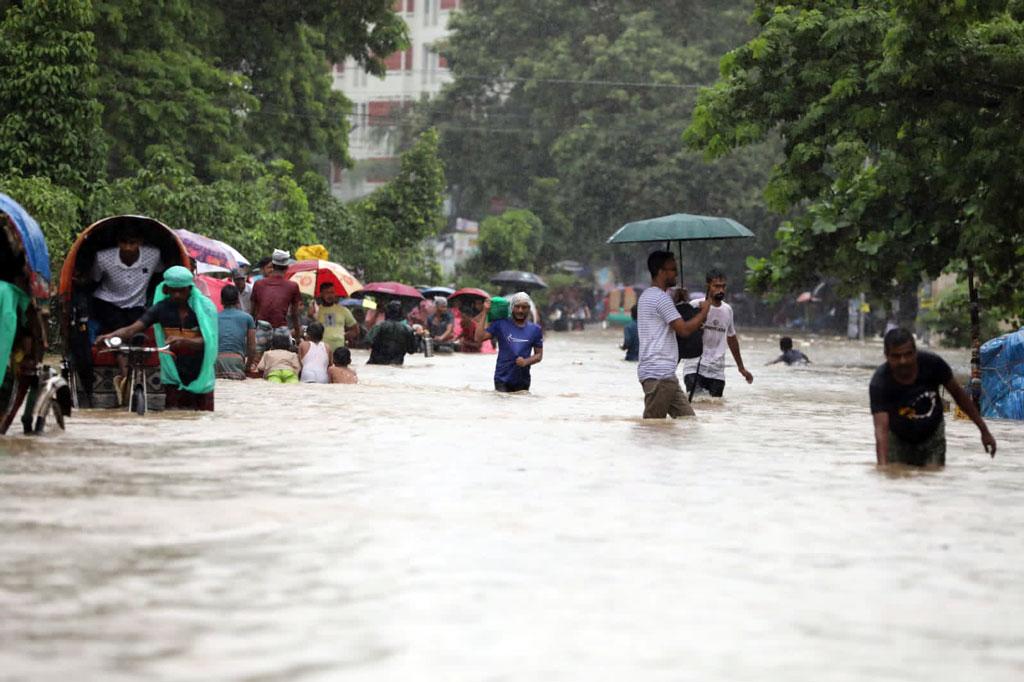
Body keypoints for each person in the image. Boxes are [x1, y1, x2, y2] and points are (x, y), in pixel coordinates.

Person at [95, 266, 217, 411]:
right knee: (172, 414)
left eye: (181, 290)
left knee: (204, 417)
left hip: (201, 371)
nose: (177, 295)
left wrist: (184, 341)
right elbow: (132, 329)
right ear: (166, 289)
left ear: (190, 289)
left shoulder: (205, 308)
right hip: (173, 370)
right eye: (173, 290)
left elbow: (210, 343)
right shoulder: (160, 309)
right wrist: (109, 336)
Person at [870, 327, 996, 467]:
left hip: (932, 436)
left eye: (908, 354)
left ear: (915, 352)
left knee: (933, 480)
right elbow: (881, 428)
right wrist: (882, 467)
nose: (903, 361)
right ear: (886, 356)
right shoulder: (880, 382)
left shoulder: (933, 365)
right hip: (898, 439)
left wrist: (984, 431)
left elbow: (959, 395)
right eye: (896, 356)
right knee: (896, 476)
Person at [90, 225, 163, 393]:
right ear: (118, 243)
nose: (128, 247)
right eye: (124, 242)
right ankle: (125, 378)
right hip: (107, 302)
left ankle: (132, 378)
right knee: (119, 332)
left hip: (137, 305)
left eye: (133, 243)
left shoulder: (153, 255)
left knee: (138, 336)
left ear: (140, 242)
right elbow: (95, 277)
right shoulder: (103, 258)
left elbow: (161, 271)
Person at [637, 251, 711, 418]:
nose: (676, 273)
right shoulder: (661, 299)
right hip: (659, 375)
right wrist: (704, 313)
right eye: (672, 269)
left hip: (663, 374)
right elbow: (683, 330)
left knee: (689, 422)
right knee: (653, 427)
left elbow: (662, 324)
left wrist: (677, 302)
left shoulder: (646, 296)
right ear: (661, 271)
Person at [681, 268, 753, 398]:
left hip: (717, 371)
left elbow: (731, 338)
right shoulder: (695, 305)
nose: (721, 290)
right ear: (708, 286)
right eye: (717, 286)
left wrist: (741, 368)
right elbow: (682, 332)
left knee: (716, 409)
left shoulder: (728, 310)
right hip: (694, 366)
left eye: (723, 286)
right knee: (698, 404)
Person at [474, 291, 544, 392]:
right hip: (502, 379)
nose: (520, 310)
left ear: (529, 309)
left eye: (524, 307)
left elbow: (539, 355)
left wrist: (525, 362)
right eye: (517, 306)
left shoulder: (535, 329)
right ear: (512, 308)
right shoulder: (500, 324)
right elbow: (478, 338)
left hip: (523, 380)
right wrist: (485, 312)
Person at [250, 249, 302, 353]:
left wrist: (251, 333)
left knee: (258, 362)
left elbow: (253, 312)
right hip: (281, 330)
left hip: (262, 328)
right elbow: (294, 314)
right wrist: (297, 336)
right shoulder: (293, 286)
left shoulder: (258, 284)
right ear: (287, 267)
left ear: (272, 265)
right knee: (283, 360)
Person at [215, 284, 256, 380]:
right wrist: (248, 366)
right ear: (238, 300)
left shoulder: (213, 317)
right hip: (237, 360)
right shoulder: (247, 318)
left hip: (216, 360)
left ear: (221, 300)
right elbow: (252, 347)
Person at [367, 300, 417, 365]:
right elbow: (412, 350)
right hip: (397, 365)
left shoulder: (379, 326)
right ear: (401, 314)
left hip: (376, 363)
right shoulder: (408, 330)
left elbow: (367, 341)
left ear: (387, 312)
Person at [313, 282, 358, 352]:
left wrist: (342, 337)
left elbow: (355, 330)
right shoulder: (317, 311)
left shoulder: (343, 310)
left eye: (332, 292)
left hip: (339, 351)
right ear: (321, 294)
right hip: (321, 350)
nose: (330, 295)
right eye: (327, 293)